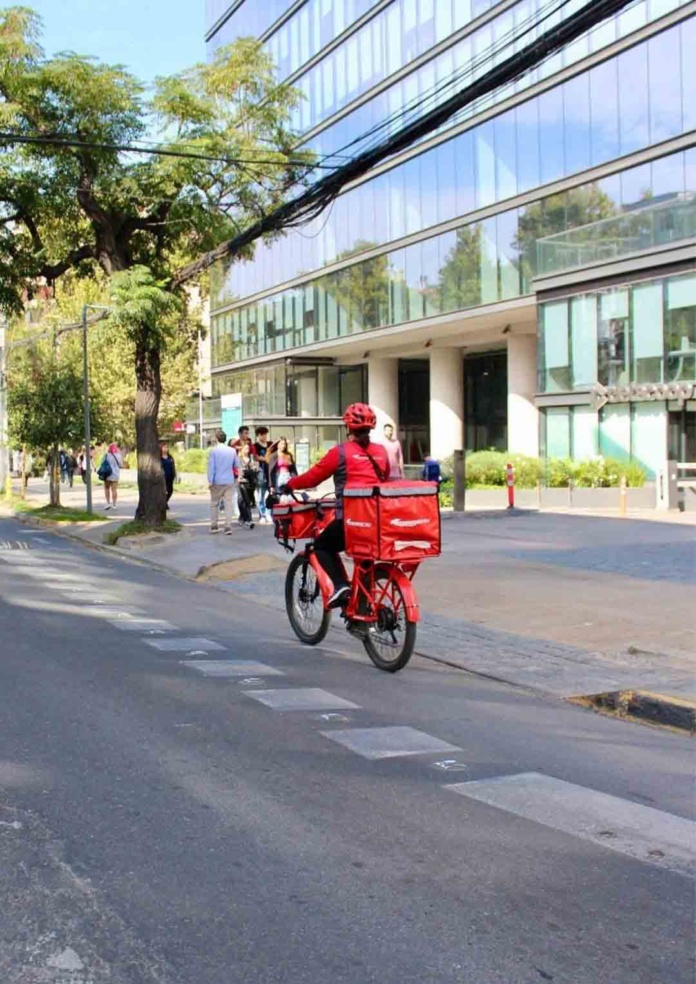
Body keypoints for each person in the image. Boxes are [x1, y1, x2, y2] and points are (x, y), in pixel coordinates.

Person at [282, 404, 389, 608]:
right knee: (365, 556)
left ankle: (340, 586)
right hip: (379, 520)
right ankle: (363, 609)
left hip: (352, 521)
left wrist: (289, 484)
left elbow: (313, 477)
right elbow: (386, 478)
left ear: (348, 428)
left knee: (321, 546)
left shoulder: (340, 452)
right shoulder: (381, 452)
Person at [207, 429, 240, 534]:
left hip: (217, 480)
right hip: (229, 481)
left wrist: (210, 481)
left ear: (216, 439)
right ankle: (228, 527)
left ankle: (214, 525)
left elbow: (211, 467)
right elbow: (236, 465)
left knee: (214, 504)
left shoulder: (213, 451)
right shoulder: (232, 451)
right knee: (228, 504)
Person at [253, 425, 274, 525]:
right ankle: (262, 514)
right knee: (261, 493)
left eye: (265, 434)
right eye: (262, 434)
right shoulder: (255, 446)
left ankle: (269, 513)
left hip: (271, 471)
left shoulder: (271, 444)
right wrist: (265, 459)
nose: (264, 436)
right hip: (261, 471)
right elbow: (255, 457)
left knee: (270, 493)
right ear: (258, 435)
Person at [236, 441, 257, 529]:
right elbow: (240, 471)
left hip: (250, 482)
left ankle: (244, 518)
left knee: (247, 501)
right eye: (246, 448)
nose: (247, 450)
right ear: (242, 449)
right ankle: (249, 519)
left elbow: (255, 469)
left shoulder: (251, 459)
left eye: (248, 448)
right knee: (242, 501)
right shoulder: (238, 459)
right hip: (241, 482)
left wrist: (254, 468)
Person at [101, 443, 123, 510]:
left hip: (107, 474)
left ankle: (108, 503)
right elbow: (121, 465)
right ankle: (114, 504)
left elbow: (102, 463)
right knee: (114, 489)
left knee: (107, 488)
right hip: (115, 475)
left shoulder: (106, 455)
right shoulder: (118, 456)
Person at [160, 441, 177, 508]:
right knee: (163, 491)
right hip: (163, 477)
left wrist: (174, 474)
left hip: (170, 476)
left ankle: (165, 502)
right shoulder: (159, 457)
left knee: (170, 490)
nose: (166, 449)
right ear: (161, 448)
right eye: (164, 447)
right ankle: (163, 504)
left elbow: (173, 466)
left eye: (167, 447)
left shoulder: (170, 457)